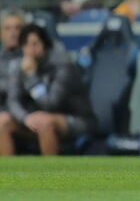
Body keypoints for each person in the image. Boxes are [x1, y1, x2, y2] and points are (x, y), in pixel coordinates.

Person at [0, 24, 95, 156]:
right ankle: (7, 174)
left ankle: (50, 173)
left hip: (75, 119)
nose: (30, 49)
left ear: (45, 44)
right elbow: (12, 101)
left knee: (45, 121)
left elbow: (50, 105)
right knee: (3, 120)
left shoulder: (62, 66)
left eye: (35, 44)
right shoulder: (20, 67)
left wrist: (32, 77)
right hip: (35, 118)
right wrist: (24, 118)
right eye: (26, 45)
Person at [0, 11, 24, 109]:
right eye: (7, 28)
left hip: (26, 109)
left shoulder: (33, 57)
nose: (13, 33)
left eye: (17, 28)